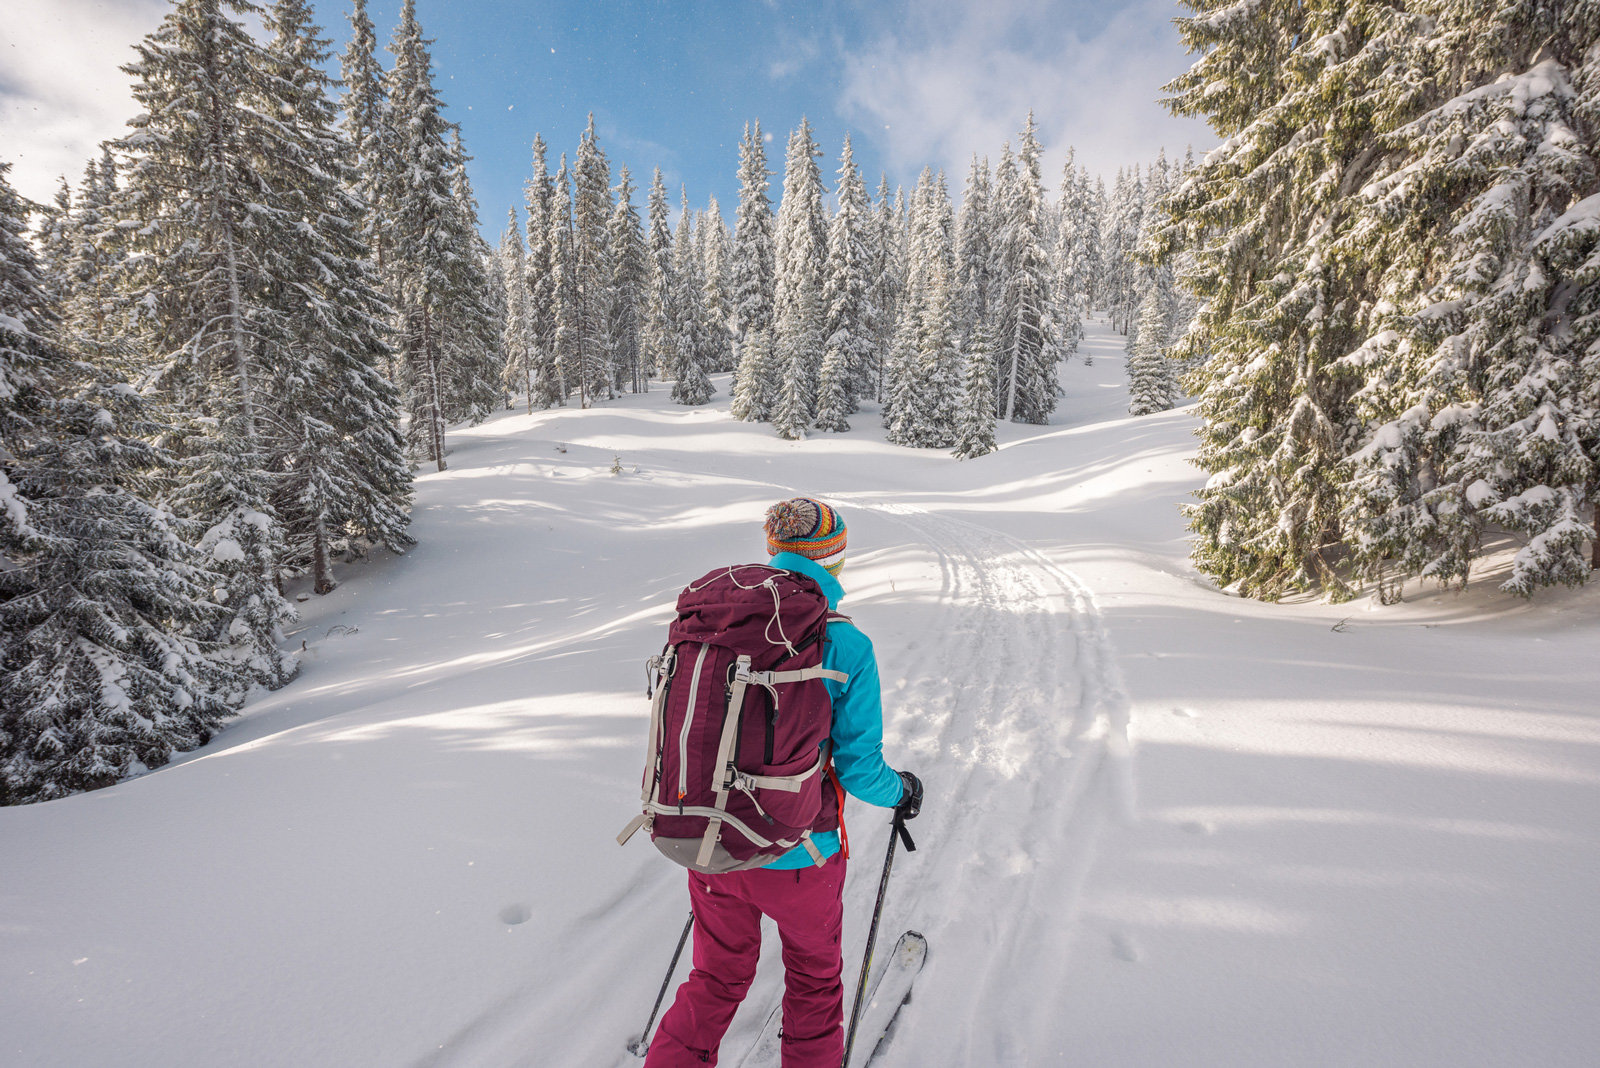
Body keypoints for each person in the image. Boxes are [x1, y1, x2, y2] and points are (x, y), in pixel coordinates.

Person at [645, 497, 923, 1068]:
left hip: (713, 840)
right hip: (801, 853)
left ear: (773, 549)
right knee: (814, 983)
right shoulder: (845, 643)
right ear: (834, 560)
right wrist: (904, 792)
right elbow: (859, 770)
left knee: (716, 976)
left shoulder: (716, 623)